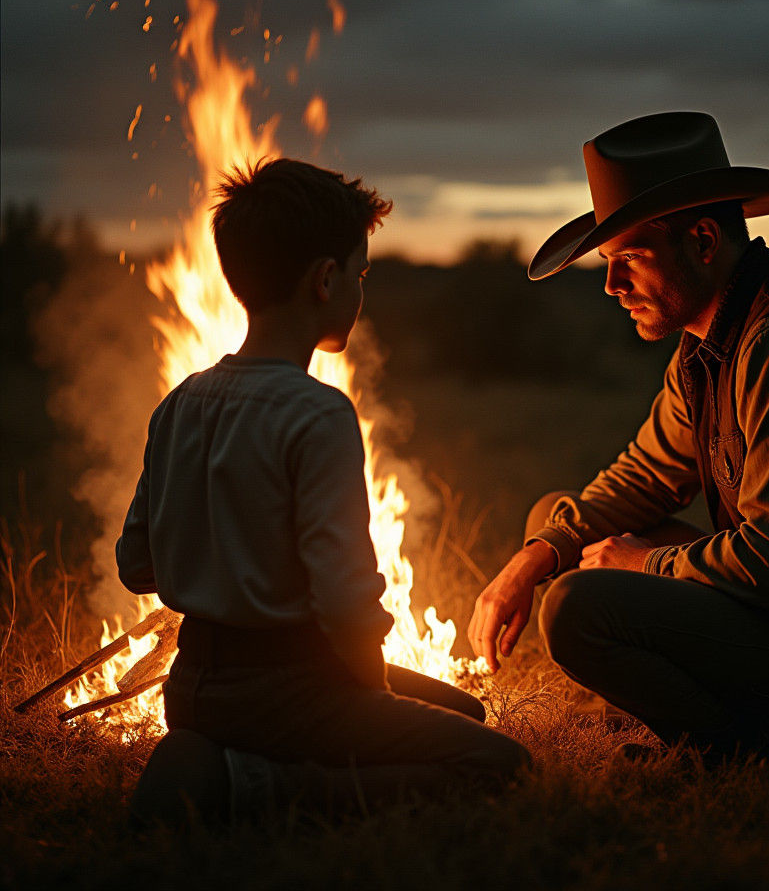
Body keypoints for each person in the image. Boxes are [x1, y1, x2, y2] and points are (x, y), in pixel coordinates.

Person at [468, 112, 769, 756]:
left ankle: (736, 749)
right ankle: (681, 706)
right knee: (555, 527)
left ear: (701, 240)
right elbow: (645, 476)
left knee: (577, 606)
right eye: (609, 264)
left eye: (629, 259)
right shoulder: (706, 346)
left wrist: (645, 563)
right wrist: (535, 556)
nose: (612, 286)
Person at [119, 158, 530, 824]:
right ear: (326, 279)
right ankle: (240, 785)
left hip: (192, 687)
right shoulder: (317, 414)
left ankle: (208, 750)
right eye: (360, 274)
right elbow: (343, 600)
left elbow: (135, 565)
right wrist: (369, 695)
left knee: (462, 710)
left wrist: (218, 567)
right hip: (286, 691)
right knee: (499, 764)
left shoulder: (179, 405)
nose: (360, 292)